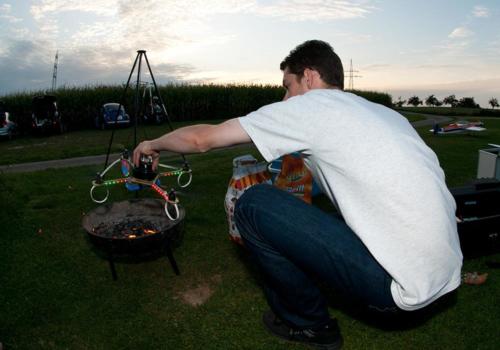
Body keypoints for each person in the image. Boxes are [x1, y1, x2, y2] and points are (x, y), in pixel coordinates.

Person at [133, 40, 463, 349]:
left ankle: (310, 325)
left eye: (287, 87)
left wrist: (152, 144)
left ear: (309, 77)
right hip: (445, 273)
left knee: (253, 204)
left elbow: (201, 140)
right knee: (299, 218)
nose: (284, 100)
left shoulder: (313, 107)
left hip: (399, 289)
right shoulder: (382, 114)